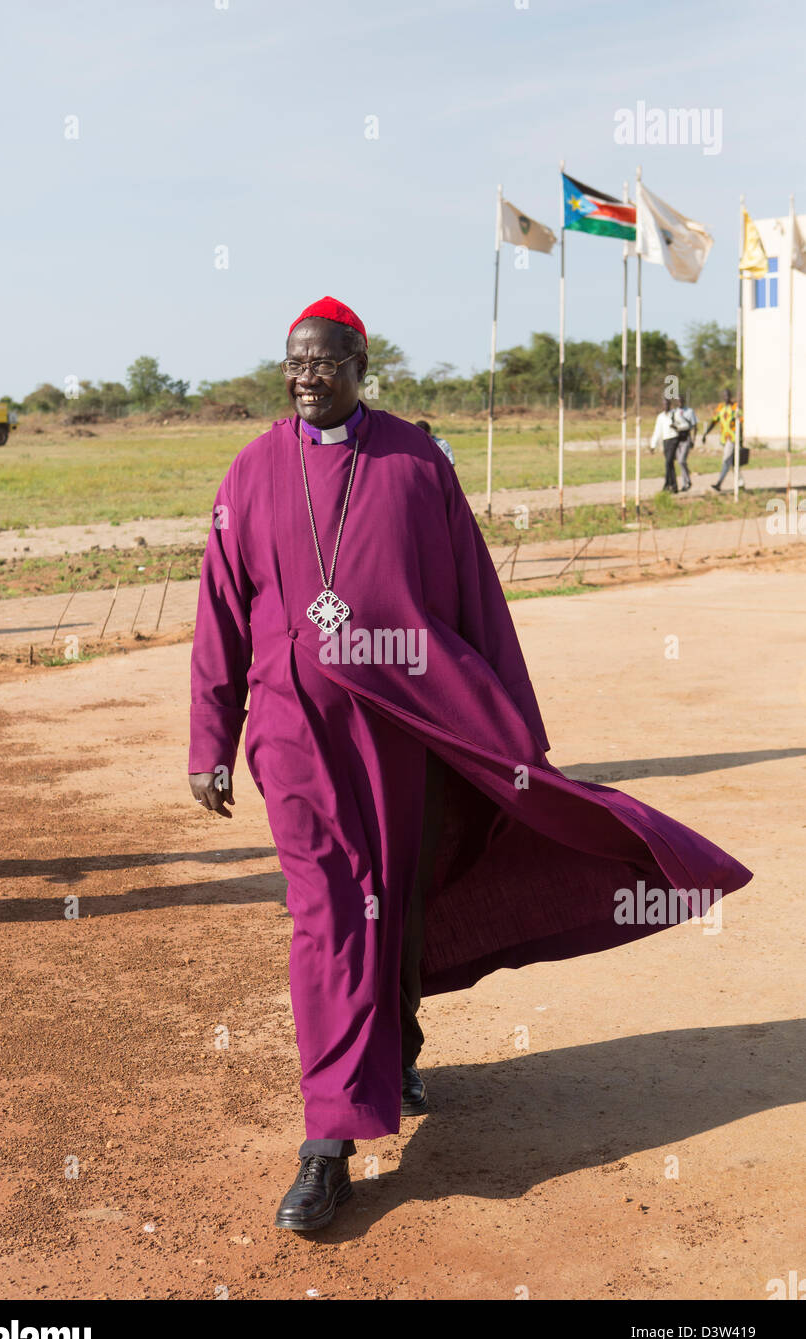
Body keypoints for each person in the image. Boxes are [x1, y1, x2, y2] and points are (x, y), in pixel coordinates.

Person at [188, 295, 752, 1233]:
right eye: (293, 363)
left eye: (325, 362)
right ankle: (328, 1143)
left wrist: (511, 734)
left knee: (401, 898)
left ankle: (394, 1043)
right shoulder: (250, 472)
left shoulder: (417, 462)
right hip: (293, 737)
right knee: (327, 912)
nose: (305, 377)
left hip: (404, 727)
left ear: (362, 363)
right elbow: (220, 611)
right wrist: (210, 741)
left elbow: (474, 599)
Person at [703, 388, 744, 492]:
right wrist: (706, 433)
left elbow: (741, 423)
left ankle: (719, 483)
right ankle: (741, 483)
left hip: (733, 438)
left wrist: (741, 439)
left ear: (730, 396)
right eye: (724, 395)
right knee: (733, 463)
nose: (726, 397)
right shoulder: (720, 408)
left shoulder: (735, 407)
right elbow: (714, 421)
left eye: (728, 395)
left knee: (726, 460)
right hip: (724, 439)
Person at [649, 399, 681, 492]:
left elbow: (681, 425)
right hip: (665, 441)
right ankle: (674, 486)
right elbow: (657, 431)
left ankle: (667, 484)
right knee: (670, 463)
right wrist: (653, 445)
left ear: (670, 405)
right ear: (662, 406)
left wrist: (675, 426)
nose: (666, 406)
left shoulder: (674, 414)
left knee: (668, 462)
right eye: (664, 404)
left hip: (674, 439)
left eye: (667, 404)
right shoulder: (660, 417)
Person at [673, 396, 697, 492]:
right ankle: (686, 483)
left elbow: (695, 426)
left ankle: (687, 481)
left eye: (681, 400)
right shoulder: (675, 412)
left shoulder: (689, 411)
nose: (680, 402)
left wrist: (693, 440)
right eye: (678, 401)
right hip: (677, 439)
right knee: (681, 462)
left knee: (681, 461)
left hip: (686, 438)